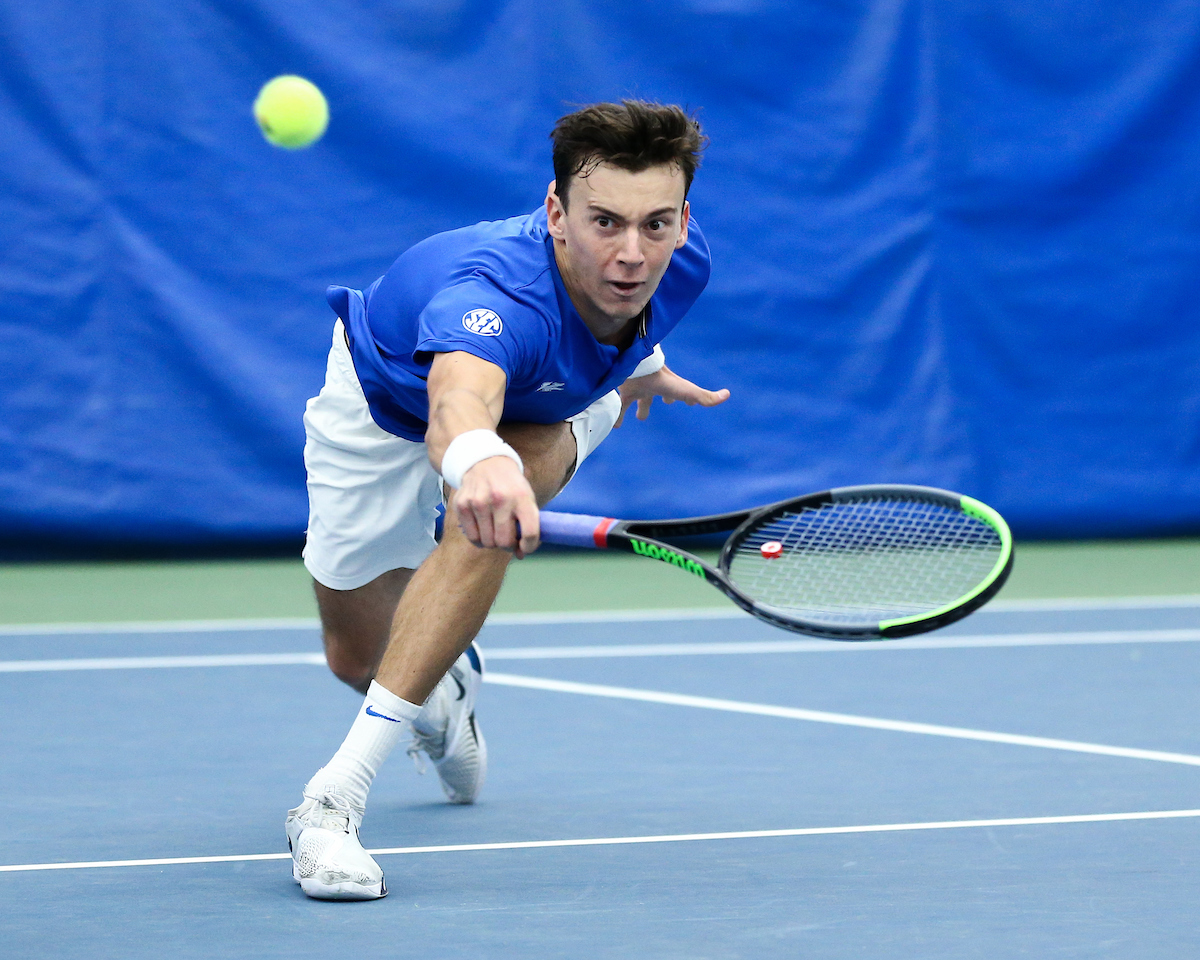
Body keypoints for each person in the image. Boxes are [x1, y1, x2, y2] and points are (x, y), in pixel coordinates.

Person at [286, 100, 731, 900]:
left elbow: (623, 310)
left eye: (656, 224)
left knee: (486, 516)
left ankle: (330, 802)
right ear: (556, 212)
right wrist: (478, 455)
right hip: (385, 406)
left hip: (550, 409)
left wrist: (640, 364)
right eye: (604, 224)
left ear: (682, 217)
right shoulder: (495, 294)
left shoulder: (684, 256)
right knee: (355, 656)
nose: (632, 254)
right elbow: (458, 397)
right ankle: (445, 692)